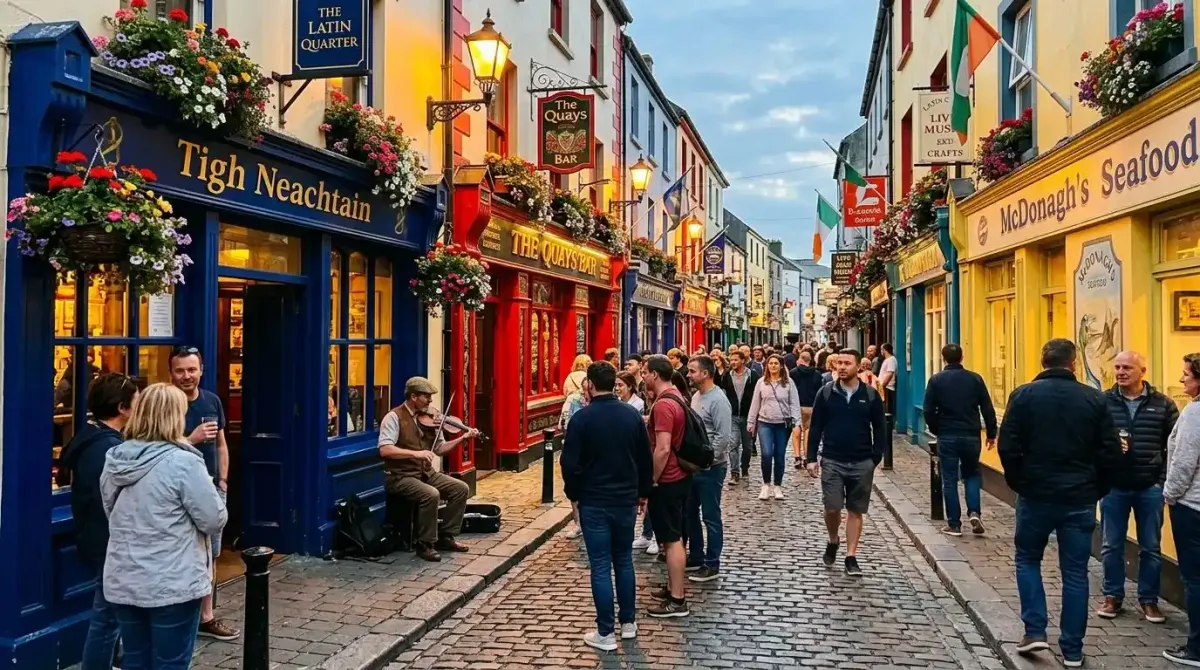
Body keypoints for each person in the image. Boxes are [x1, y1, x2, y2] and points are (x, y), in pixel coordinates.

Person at [998, 339, 1122, 668]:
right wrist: (1098, 488)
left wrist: (1018, 482)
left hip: (1036, 494)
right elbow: (1109, 450)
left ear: (1043, 361)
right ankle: (1072, 648)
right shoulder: (1094, 398)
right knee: (1075, 573)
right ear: (1073, 364)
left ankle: (1035, 630)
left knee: (1027, 559)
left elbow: (1008, 446)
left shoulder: (1023, 396)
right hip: (1079, 497)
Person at [100, 383, 228, 670]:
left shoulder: (116, 458)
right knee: (170, 663)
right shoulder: (183, 463)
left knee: (136, 659)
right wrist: (218, 489)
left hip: (125, 577)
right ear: (174, 417)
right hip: (173, 582)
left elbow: (110, 510)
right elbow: (213, 519)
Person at [561, 362, 654, 651]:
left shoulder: (582, 419)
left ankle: (605, 632)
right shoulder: (631, 415)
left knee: (601, 564)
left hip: (594, 500)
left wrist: (574, 495)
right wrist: (642, 493)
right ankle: (628, 623)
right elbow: (644, 458)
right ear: (614, 383)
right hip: (624, 499)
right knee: (623, 560)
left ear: (589, 384)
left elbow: (569, 463)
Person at [59, 373, 140, 670]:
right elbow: (110, 501)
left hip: (97, 537)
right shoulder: (108, 450)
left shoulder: (90, 437)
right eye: (136, 403)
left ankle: (113, 657)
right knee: (106, 616)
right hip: (108, 541)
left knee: (110, 612)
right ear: (122, 408)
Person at [1097, 351, 1177, 622]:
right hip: (1113, 487)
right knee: (1111, 545)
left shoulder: (1163, 405)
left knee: (1151, 547)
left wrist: (1162, 482)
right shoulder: (1103, 402)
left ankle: (1149, 600)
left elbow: (1173, 447)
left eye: (1127, 367)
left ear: (1142, 371)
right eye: (1117, 367)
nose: (1120, 372)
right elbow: (1093, 442)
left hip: (1149, 487)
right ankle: (1112, 597)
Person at [169, 347, 238, 641]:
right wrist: (191, 439)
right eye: (180, 371)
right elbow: (155, 447)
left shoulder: (212, 400)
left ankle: (206, 617)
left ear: (201, 370)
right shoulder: (164, 404)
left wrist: (222, 480)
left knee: (211, 555)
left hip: (209, 488)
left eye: (191, 370)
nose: (187, 376)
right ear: (171, 373)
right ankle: (177, 617)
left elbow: (222, 443)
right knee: (179, 555)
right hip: (176, 494)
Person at [377, 377, 478, 562]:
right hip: (400, 476)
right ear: (413, 396)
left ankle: (446, 536)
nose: (431, 401)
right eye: (426, 396)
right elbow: (385, 449)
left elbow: (440, 449)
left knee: (460, 488)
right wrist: (416, 454)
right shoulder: (393, 417)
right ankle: (425, 544)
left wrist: (462, 438)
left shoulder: (430, 419)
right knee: (430, 494)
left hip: (425, 472)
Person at [806, 349, 886, 577]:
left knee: (855, 510)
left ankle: (851, 556)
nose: (841, 367)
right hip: (832, 459)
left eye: (847, 363)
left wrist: (875, 458)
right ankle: (833, 539)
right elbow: (816, 426)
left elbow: (880, 428)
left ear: (858, 366)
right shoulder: (826, 393)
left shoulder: (870, 395)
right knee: (832, 507)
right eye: (839, 363)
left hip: (861, 461)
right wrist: (811, 458)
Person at [923, 344, 998, 537]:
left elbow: (928, 411)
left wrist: (936, 429)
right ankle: (974, 512)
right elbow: (987, 408)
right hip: (971, 434)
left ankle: (954, 524)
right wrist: (991, 433)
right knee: (972, 474)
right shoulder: (975, 379)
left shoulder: (936, 380)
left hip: (947, 434)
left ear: (943, 358)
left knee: (949, 479)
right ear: (962, 357)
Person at [641, 355, 692, 618]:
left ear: (655, 375)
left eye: (645, 372)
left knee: (671, 541)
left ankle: (677, 600)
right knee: (675, 538)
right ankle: (673, 586)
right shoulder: (676, 395)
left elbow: (662, 449)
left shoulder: (663, 406)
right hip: (680, 476)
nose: (642, 376)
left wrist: (651, 479)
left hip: (668, 478)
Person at [1164, 353, 1200, 667]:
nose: (1182, 379)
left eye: (1186, 373)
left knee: (1195, 577)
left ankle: (1197, 647)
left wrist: (1169, 494)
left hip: (1193, 506)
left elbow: (1184, 462)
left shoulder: (1195, 413)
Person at [685, 355, 733, 583]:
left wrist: (706, 461)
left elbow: (723, 437)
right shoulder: (696, 396)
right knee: (689, 512)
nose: (688, 374)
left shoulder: (718, 400)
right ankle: (696, 556)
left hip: (711, 468)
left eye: (692, 371)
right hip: (694, 467)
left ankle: (712, 563)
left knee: (711, 516)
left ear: (705, 373)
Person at [747, 354, 801, 501]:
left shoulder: (789, 383)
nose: (773, 366)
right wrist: (751, 422)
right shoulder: (761, 383)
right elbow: (755, 403)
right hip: (765, 422)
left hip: (783, 424)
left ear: (781, 366)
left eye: (776, 363)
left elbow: (794, 404)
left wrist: (797, 424)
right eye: (770, 363)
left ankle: (777, 486)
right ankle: (766, 484)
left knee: (779, 454)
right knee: (766, 453)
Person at [723, 348, 760, 485]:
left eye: (735, 360)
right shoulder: (727, 375)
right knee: (733, 444)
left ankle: (745, 468)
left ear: (743, 361)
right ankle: (734, 473)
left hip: (748, 415)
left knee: (747, 446)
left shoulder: (752, 375)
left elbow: (757, 395)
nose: (733, 362)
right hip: (732, 415)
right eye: (731, 360)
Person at [789, 350, 824, 470]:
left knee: (796, 430)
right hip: (811, 406)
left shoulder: (793, 373)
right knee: (808, 431)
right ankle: (806, 457)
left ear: (800, 359)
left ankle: (797, 456)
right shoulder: (817, 374)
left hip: (797, 405)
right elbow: (820, 391)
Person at [878, 343, 898, 419]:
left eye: (881, 349)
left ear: (884, 350)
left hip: (887, 387)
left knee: (887, 409)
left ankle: (888, 427)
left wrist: (883, 385)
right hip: (884, 387)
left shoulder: (891, 360)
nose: (881, 352)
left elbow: (890, 373)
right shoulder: (888, 360)